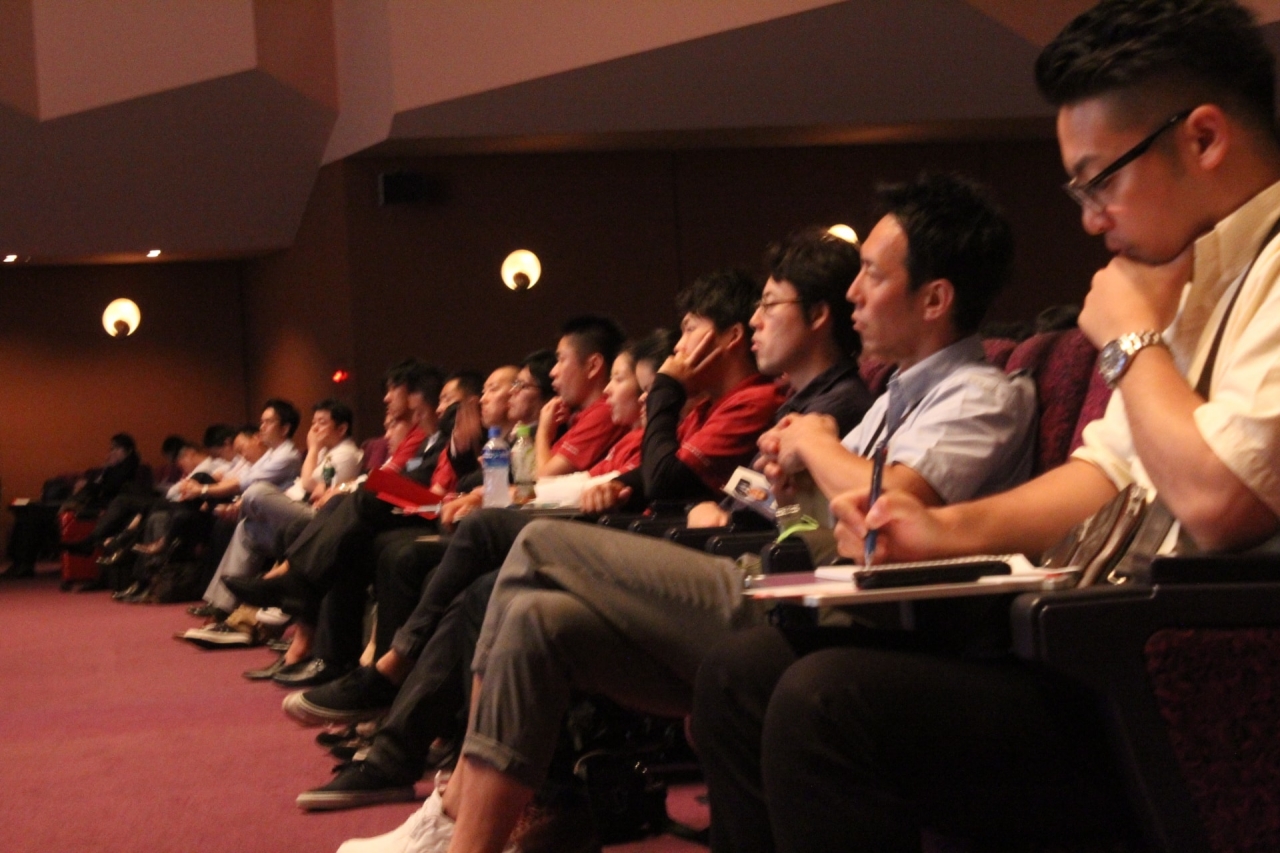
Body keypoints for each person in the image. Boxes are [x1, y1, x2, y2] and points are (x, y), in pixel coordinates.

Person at [692, 2, 1280, 850]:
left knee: (827, 705)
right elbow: (1105, 474)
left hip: (1203, 688)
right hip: (1107, 646)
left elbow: (1224, 499)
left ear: (1204, 138)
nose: (1091, 219)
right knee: (744, 670)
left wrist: (1128, 341)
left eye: (1099, 181)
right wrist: (940, 530)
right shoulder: (1185, 280)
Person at [337, 173, 1037, 853]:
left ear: (935, 297)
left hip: (837, 611)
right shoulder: (891, 399)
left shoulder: (982, 393)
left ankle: (450, 809)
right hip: (786, 576)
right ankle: (464, 832)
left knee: (538, 543)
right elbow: (819, 513)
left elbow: (891, 514)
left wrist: (816, 446)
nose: (854, 291)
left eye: (873, 276)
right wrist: (781, 485)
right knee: (531, 616)